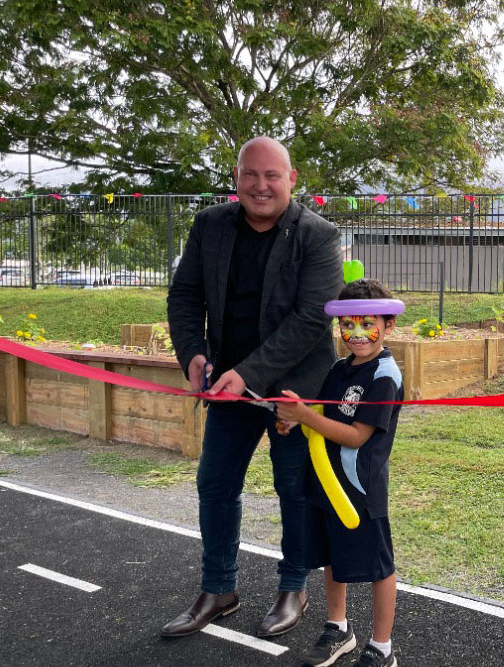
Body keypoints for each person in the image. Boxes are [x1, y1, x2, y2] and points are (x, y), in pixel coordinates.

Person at [162, 136, 343, 639]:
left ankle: (293, 587)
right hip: (226, 386)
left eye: (272, 176)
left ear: (292, 179)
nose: (261, 186)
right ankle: (219, 589)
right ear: (236, 178)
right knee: (215, 485)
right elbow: (185, 294)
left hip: (294, 394)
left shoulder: (319, 236)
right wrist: (193, 354)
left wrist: (251, 374)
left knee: (294, 491)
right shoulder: (210, 225)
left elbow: (312, 319)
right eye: (251, 174)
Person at [276, 279, 403, 667]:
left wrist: (307, 416)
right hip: (327, 485)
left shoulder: (384, 376)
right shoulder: (339, 368)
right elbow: (326, 418)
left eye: (367, 323)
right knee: (333, 556)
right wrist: (297, 421)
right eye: (347, 324)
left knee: (379, 567)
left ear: (389, 325)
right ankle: (338, 628)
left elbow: (356, 435)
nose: (357, 333)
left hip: (361, 491)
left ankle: (382, 648)